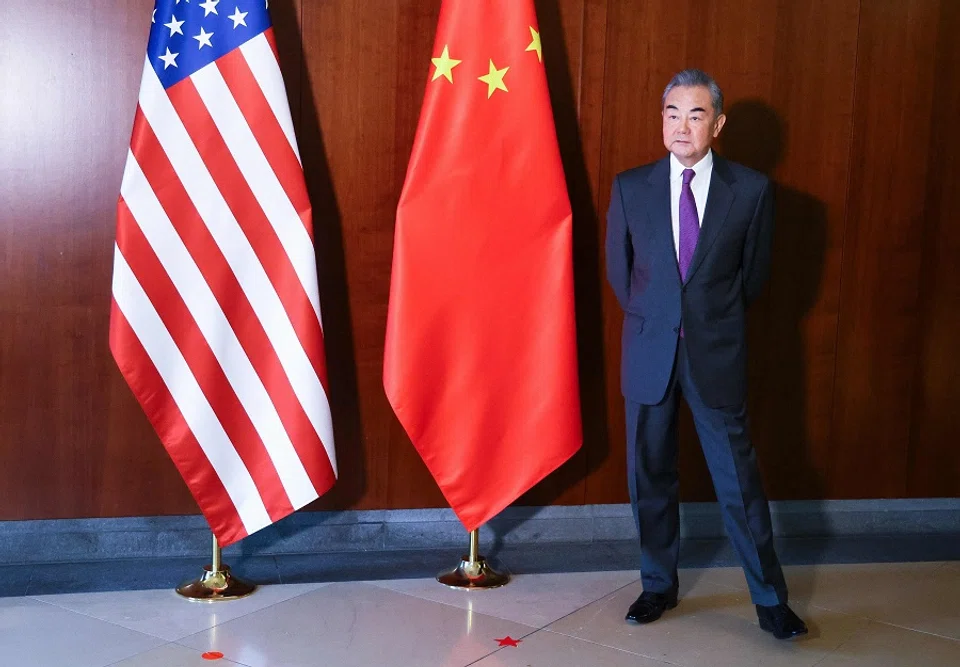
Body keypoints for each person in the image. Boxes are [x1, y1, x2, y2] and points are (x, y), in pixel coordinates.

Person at [605, 69, 807, 640]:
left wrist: (702, 321)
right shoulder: (630, 187)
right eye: (671, 112)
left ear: (717, 124)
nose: (680, 126)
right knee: (649, 476)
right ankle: (657, 585)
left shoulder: (752, 190)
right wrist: (662, 319)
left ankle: (770, 601)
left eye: (694, 115)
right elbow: (623, 278)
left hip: (716, 354)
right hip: (649, 354)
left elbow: (753, 278)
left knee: (738, 481)